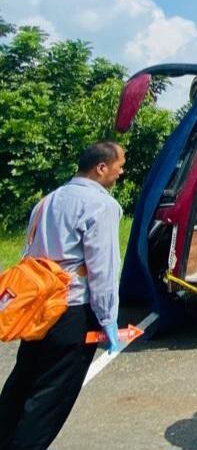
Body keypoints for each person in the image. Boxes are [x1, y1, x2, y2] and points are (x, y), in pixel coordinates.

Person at [0, 142, 127, 450]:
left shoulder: (48, 200)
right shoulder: (102, 205)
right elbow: (102, 268)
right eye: (119, 165)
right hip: (72, 312)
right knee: (50, 399)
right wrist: (108, 319)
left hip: (37, 307)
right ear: (101, 168)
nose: (121, 171)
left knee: (22, 384)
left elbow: (29, 253)